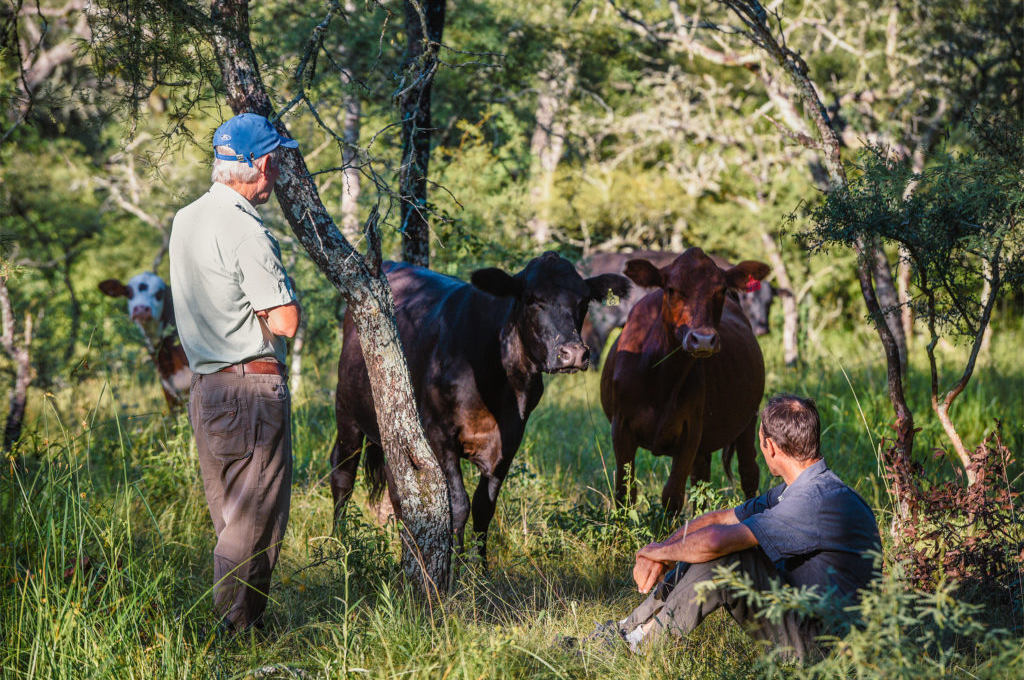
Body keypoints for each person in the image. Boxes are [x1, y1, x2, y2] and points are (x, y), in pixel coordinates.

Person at [616, 394, 881, 659]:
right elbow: (721, 519)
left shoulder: (814, 500)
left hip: (830, 649)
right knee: (708, 544)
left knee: (728, 556)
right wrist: (664, 548)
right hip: (812, 623)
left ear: (771, 447)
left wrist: (659, 553)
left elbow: (717, 541)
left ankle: (639, 647)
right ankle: (627, 632)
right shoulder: (799, 489)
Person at [169, 112, 302, 632]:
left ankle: (241, 628)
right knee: (254, 523)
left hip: (206, 388)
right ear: (263, 163)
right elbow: (286, 321)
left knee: (233, 518)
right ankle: (232, 632)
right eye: (276, 160)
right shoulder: (245, 228)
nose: (277, 172)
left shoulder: (186, 218)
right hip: (250, 386)